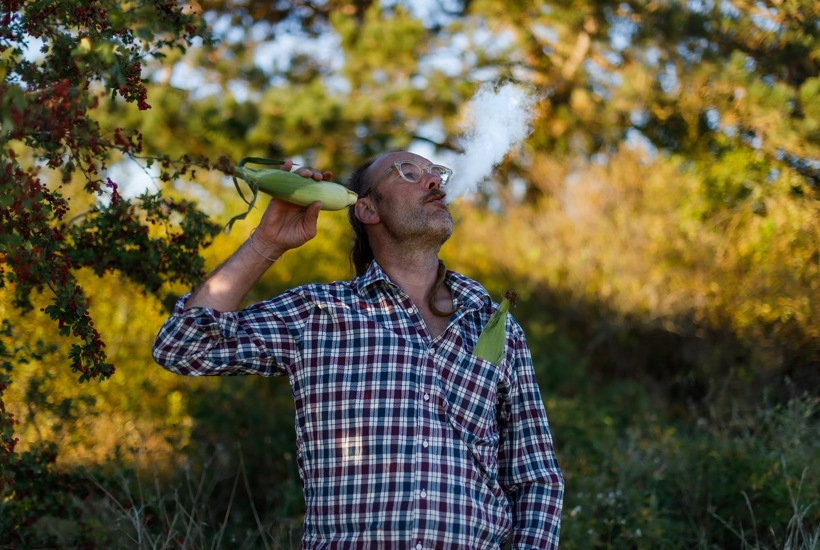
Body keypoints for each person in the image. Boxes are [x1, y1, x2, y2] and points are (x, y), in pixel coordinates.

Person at [153, 151, 564, 549]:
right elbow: (182, 345)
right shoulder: (318, 313)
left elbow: (536, 477)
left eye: (435, 172)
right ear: (367, 210)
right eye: (407, 173)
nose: (434, 181)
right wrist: (267, 243)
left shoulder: (494, 324)